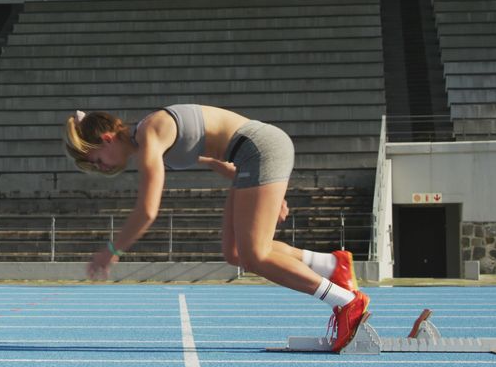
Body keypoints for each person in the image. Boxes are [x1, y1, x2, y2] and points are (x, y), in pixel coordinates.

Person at [63, 104, 369, 352]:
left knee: (255, 255)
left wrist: (112, 250)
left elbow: (147, 211)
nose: (102, 168)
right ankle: (333, 264)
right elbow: (213, 156)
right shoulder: (152, 135)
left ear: (106, 139)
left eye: (98, 161)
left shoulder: (151, 135)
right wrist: (266, 188)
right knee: (236, 253)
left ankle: (346, 302)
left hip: (258, 149)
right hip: (250, 155)